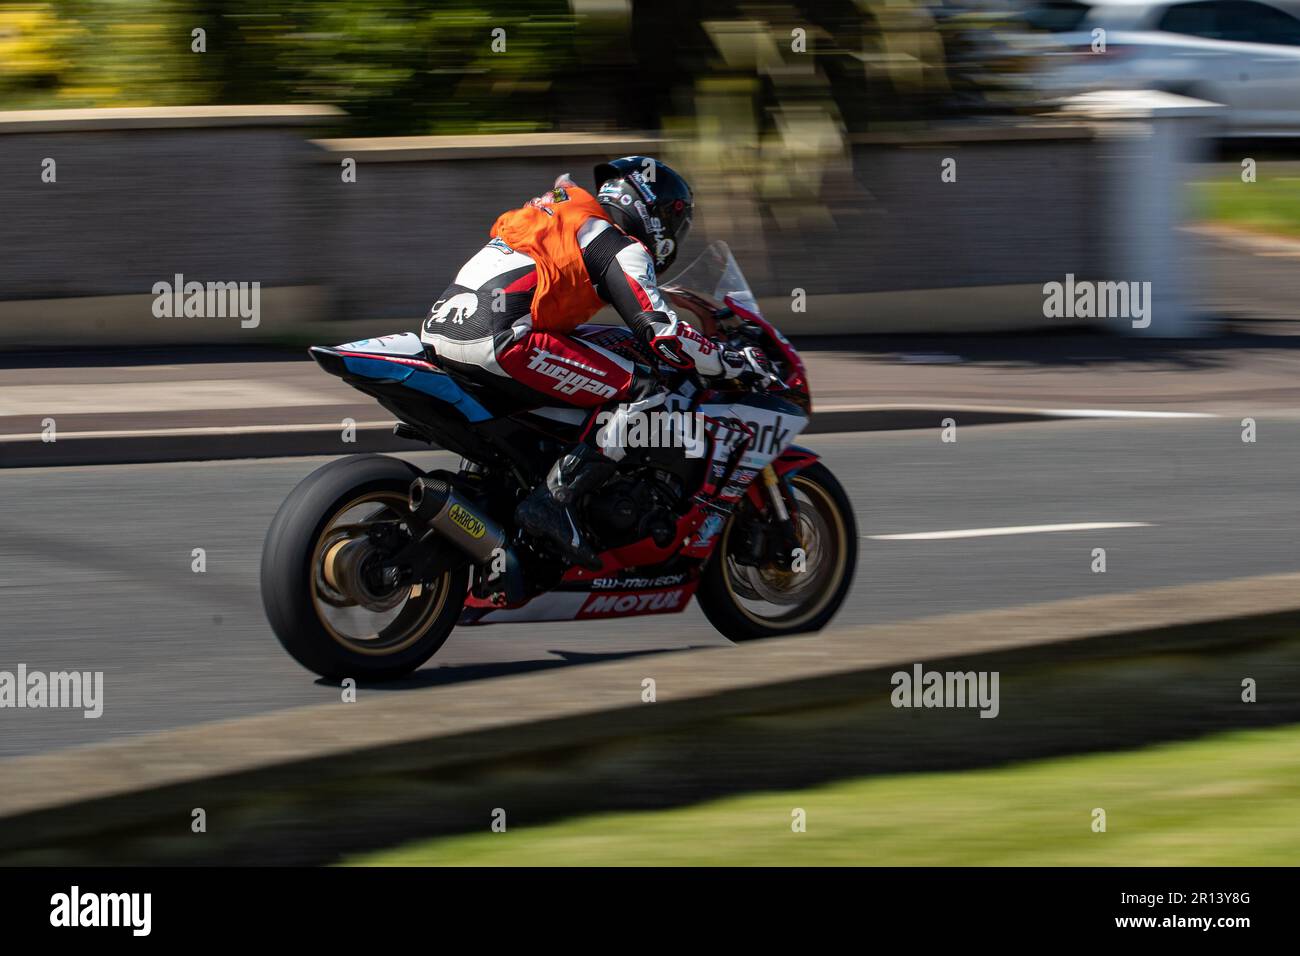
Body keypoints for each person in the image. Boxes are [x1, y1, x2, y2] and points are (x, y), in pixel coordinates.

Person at [420, 156, 739, 569]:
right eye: (671, 219)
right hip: (500, 342)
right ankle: (554, 501)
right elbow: (661, 333)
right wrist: (725, 360)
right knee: (645, 392)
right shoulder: (617, 245)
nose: (673, 233)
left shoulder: (558, 209)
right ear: (650, 212)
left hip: (439, 332)